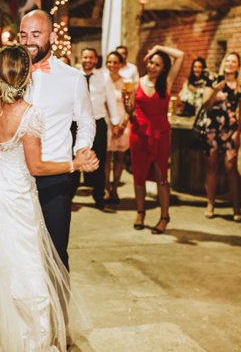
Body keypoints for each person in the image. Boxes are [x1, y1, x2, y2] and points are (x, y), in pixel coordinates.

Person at [0, 44, 94, 351]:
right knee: (26, 265)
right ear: (27, 75)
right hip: (14, 193)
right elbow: (36, 167)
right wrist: (74, 164)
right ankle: (30, 340)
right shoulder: (29, 114)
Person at [0, 10, 96, 271]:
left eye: (35, 34)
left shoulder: (73, 78)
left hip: (54, 174)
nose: (28, 41)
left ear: (52, 36)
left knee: (54, 253)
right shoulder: (8, 72)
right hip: (12, 179)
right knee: (12, 254)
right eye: (23, 34)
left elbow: (86, 120)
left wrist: (82, 148)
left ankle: (57, 312)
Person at [124, 45, 184, 234]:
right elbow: (130, 109)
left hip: (160, 134)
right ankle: (140, 213)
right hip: (139, 133)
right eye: (151, 62)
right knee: (139, 176)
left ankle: (164, 216)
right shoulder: (136, 83)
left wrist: (157, 48)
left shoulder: (166, 82)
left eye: (157, 64)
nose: (152, 66)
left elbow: (180, 55)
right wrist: (126, 100)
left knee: (161, 177)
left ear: (164, 68)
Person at [202, 52, 241, 221]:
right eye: (227, 60)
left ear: (238, 65)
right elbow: (206, 106)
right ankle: (211, 204)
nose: (230, 63)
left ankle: (236, 208)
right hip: (211, 130)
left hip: (230, 131)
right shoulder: (213, 80)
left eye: (233, 61)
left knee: (231, 169)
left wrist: (238, 132)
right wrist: (215, 91)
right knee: (211, 167)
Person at [71, 48, 120, 211]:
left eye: (91, 57)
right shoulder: (73, 75)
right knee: (73, 159)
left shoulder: (104, 77)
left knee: (99, 161)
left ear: (96, 60)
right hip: (75, 123)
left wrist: (115, 122)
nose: (88, 60)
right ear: (81, 58)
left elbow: (111, 101)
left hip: (98, 122)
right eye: (85, 57)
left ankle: (99, 198)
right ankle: (69, 196)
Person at [105, 51, 132, 204]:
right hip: (107, 121)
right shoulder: (102, 80)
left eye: (115, 62)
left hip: (122, 122)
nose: (112, 65)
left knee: (120, 157)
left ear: (121, 64)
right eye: (109, 62)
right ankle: (107, 189)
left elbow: (130, 107)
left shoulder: (126, 83)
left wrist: (123, 124)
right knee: (106, 158)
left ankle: (115, 188)